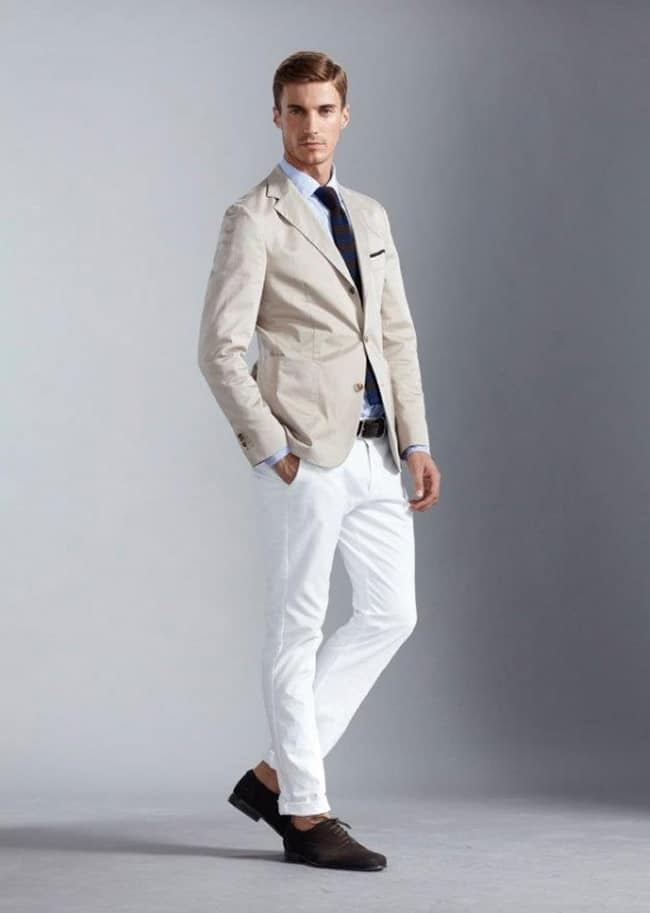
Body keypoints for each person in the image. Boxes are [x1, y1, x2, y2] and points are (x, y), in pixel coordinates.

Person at [198, 50, 441, 871]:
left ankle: (274, 775)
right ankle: (304, 810)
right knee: (297, 627)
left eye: (324, 110)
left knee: (392, 613)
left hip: (377, 451)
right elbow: (219, 349)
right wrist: (273, 450)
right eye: (297, 110)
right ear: (276, 116)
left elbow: (396, 335)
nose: (311, 126)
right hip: (304, 455)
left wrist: (415, 440)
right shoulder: (253, 218)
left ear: (345, 115)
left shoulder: (369, 215)